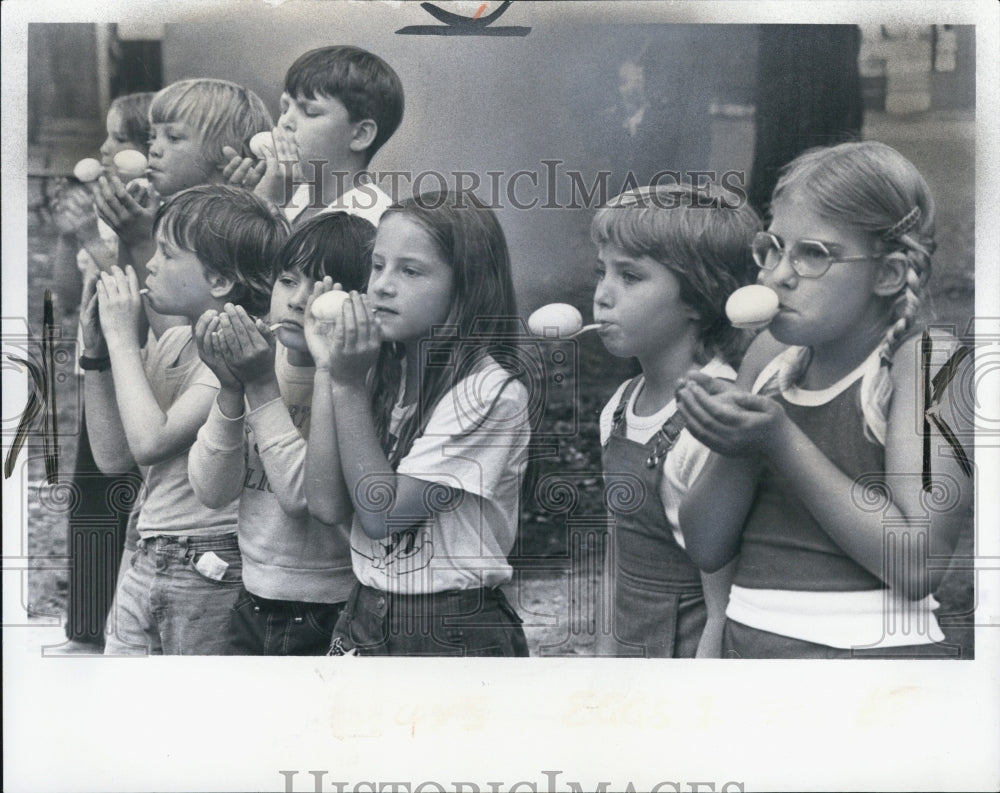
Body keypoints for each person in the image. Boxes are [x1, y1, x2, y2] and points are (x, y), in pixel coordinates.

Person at [676, 141, 974, 659]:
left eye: (813, 254)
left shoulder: (927, 363)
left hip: (869, 662)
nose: (777, 275)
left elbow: (917, 565)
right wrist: (730, 440)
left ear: (887, 274)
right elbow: (706, 547)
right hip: (749, 648)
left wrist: (780, 440)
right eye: (772, 247)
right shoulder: (770, 354)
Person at [305, 191, 531, 656]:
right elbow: (325, 503)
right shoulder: (374, 368)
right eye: (378, 266)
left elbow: (382, 515)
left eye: (410, 271)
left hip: (450, 629)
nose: (382, 286)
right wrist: (329, 368)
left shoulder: (489, 393)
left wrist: (346, 386)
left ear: (465, 287)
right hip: (366, 613)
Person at [82, 185, 287, 655]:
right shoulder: (175, 343)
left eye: (167, 253)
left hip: (206, 566)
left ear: (217, 280)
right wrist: (96, 357)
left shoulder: (235, 357)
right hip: (148, 555)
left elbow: (151, 442)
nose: (150, 262)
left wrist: (119, 337)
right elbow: (115, 457)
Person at [187, 213, 375, 655]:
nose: (297, 302)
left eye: (322, 291)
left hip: (332, 606)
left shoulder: (359, 383)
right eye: (288, 281)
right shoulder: (262, 364)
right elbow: (211, 490)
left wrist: (258, 386)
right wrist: (231, 390)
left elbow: (301, 498)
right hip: (251, 597)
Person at [590, 183, 761, 657]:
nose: (602, 295)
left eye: (630, 276)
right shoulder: (622, 404)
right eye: (600, 272)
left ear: (698, 297)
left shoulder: (713, 416)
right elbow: (617, 560)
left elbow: (722, 606)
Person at [47, 92, 154, 648]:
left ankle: (124, 619)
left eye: (120, 138)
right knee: (89, 493)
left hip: (133, 376)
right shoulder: (106, 213)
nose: (105, 148)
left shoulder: (144, 216)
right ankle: (88, 618)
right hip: (99, 369)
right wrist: (71, 237)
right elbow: (69, 294)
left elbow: (138, 292)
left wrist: (94, 234)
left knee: (120, 495)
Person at [90, 78, 274, 326]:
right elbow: (136, 326)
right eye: (153, 137)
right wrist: (127, 234)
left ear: (226, 152)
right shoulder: (168, 213)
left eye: (174, 137)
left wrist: (142, 241)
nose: (154, 149)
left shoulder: (236, 233)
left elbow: (175, 343)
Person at [225, 45, 404, 227]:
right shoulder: (294, 193)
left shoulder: (369, 220)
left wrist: (266, 211)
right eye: (284, 109)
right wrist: (246, 205)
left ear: (360, 134)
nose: (285, 121)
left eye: (310, 111)